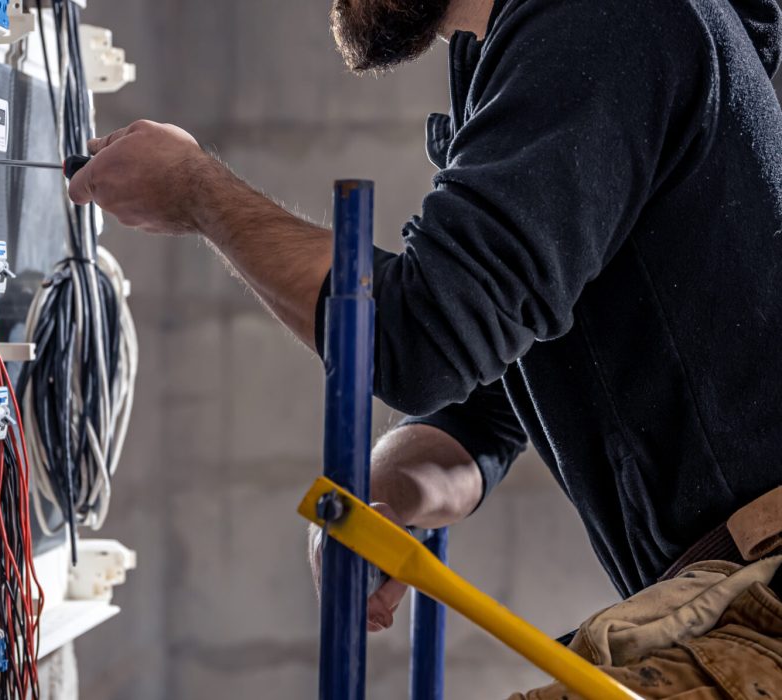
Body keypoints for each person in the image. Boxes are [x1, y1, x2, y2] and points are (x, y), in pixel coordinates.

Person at [69, 0, 782, 695]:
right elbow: (490, 410)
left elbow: (421, 339)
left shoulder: (600, 20)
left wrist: (199, 192)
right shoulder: (521, 48)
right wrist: (384, 495)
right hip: (731, 598)